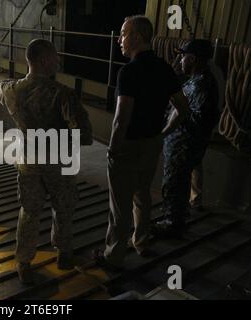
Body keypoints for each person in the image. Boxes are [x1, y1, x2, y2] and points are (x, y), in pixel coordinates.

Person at [92, 16, 189, 270]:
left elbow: (121, 116)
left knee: (119, 204)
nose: (119, 39)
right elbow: (183, 108)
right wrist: (164, 132)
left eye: (123, 34)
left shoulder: (129, 71)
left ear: (136, 37)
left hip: (128, 145)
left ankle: (113, 255)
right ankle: (142, 242)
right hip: (152, 143)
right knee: (142, 194)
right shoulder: (165, 69)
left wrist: (113, 148)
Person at [0, 39, 93, 284]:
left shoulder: (11, 90)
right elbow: (85, 134)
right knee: (64, 207)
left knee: (29, 210)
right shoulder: (63, 94)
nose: (58, 61)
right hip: (59, 162)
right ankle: (64, 253)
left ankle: (24, 262)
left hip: (28, 160)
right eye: (55, 57)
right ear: (44, 60)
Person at [152, 40, 220, 237]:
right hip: (180, 143)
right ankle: (176, 215)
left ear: (194, 59)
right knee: (179, 182)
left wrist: (171, 122)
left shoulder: (202, 84)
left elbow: (196, 119)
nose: (180, 60)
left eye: (183, 56)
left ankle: (172, 222)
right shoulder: (196, 79)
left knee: (174, 181)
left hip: (184, 144)